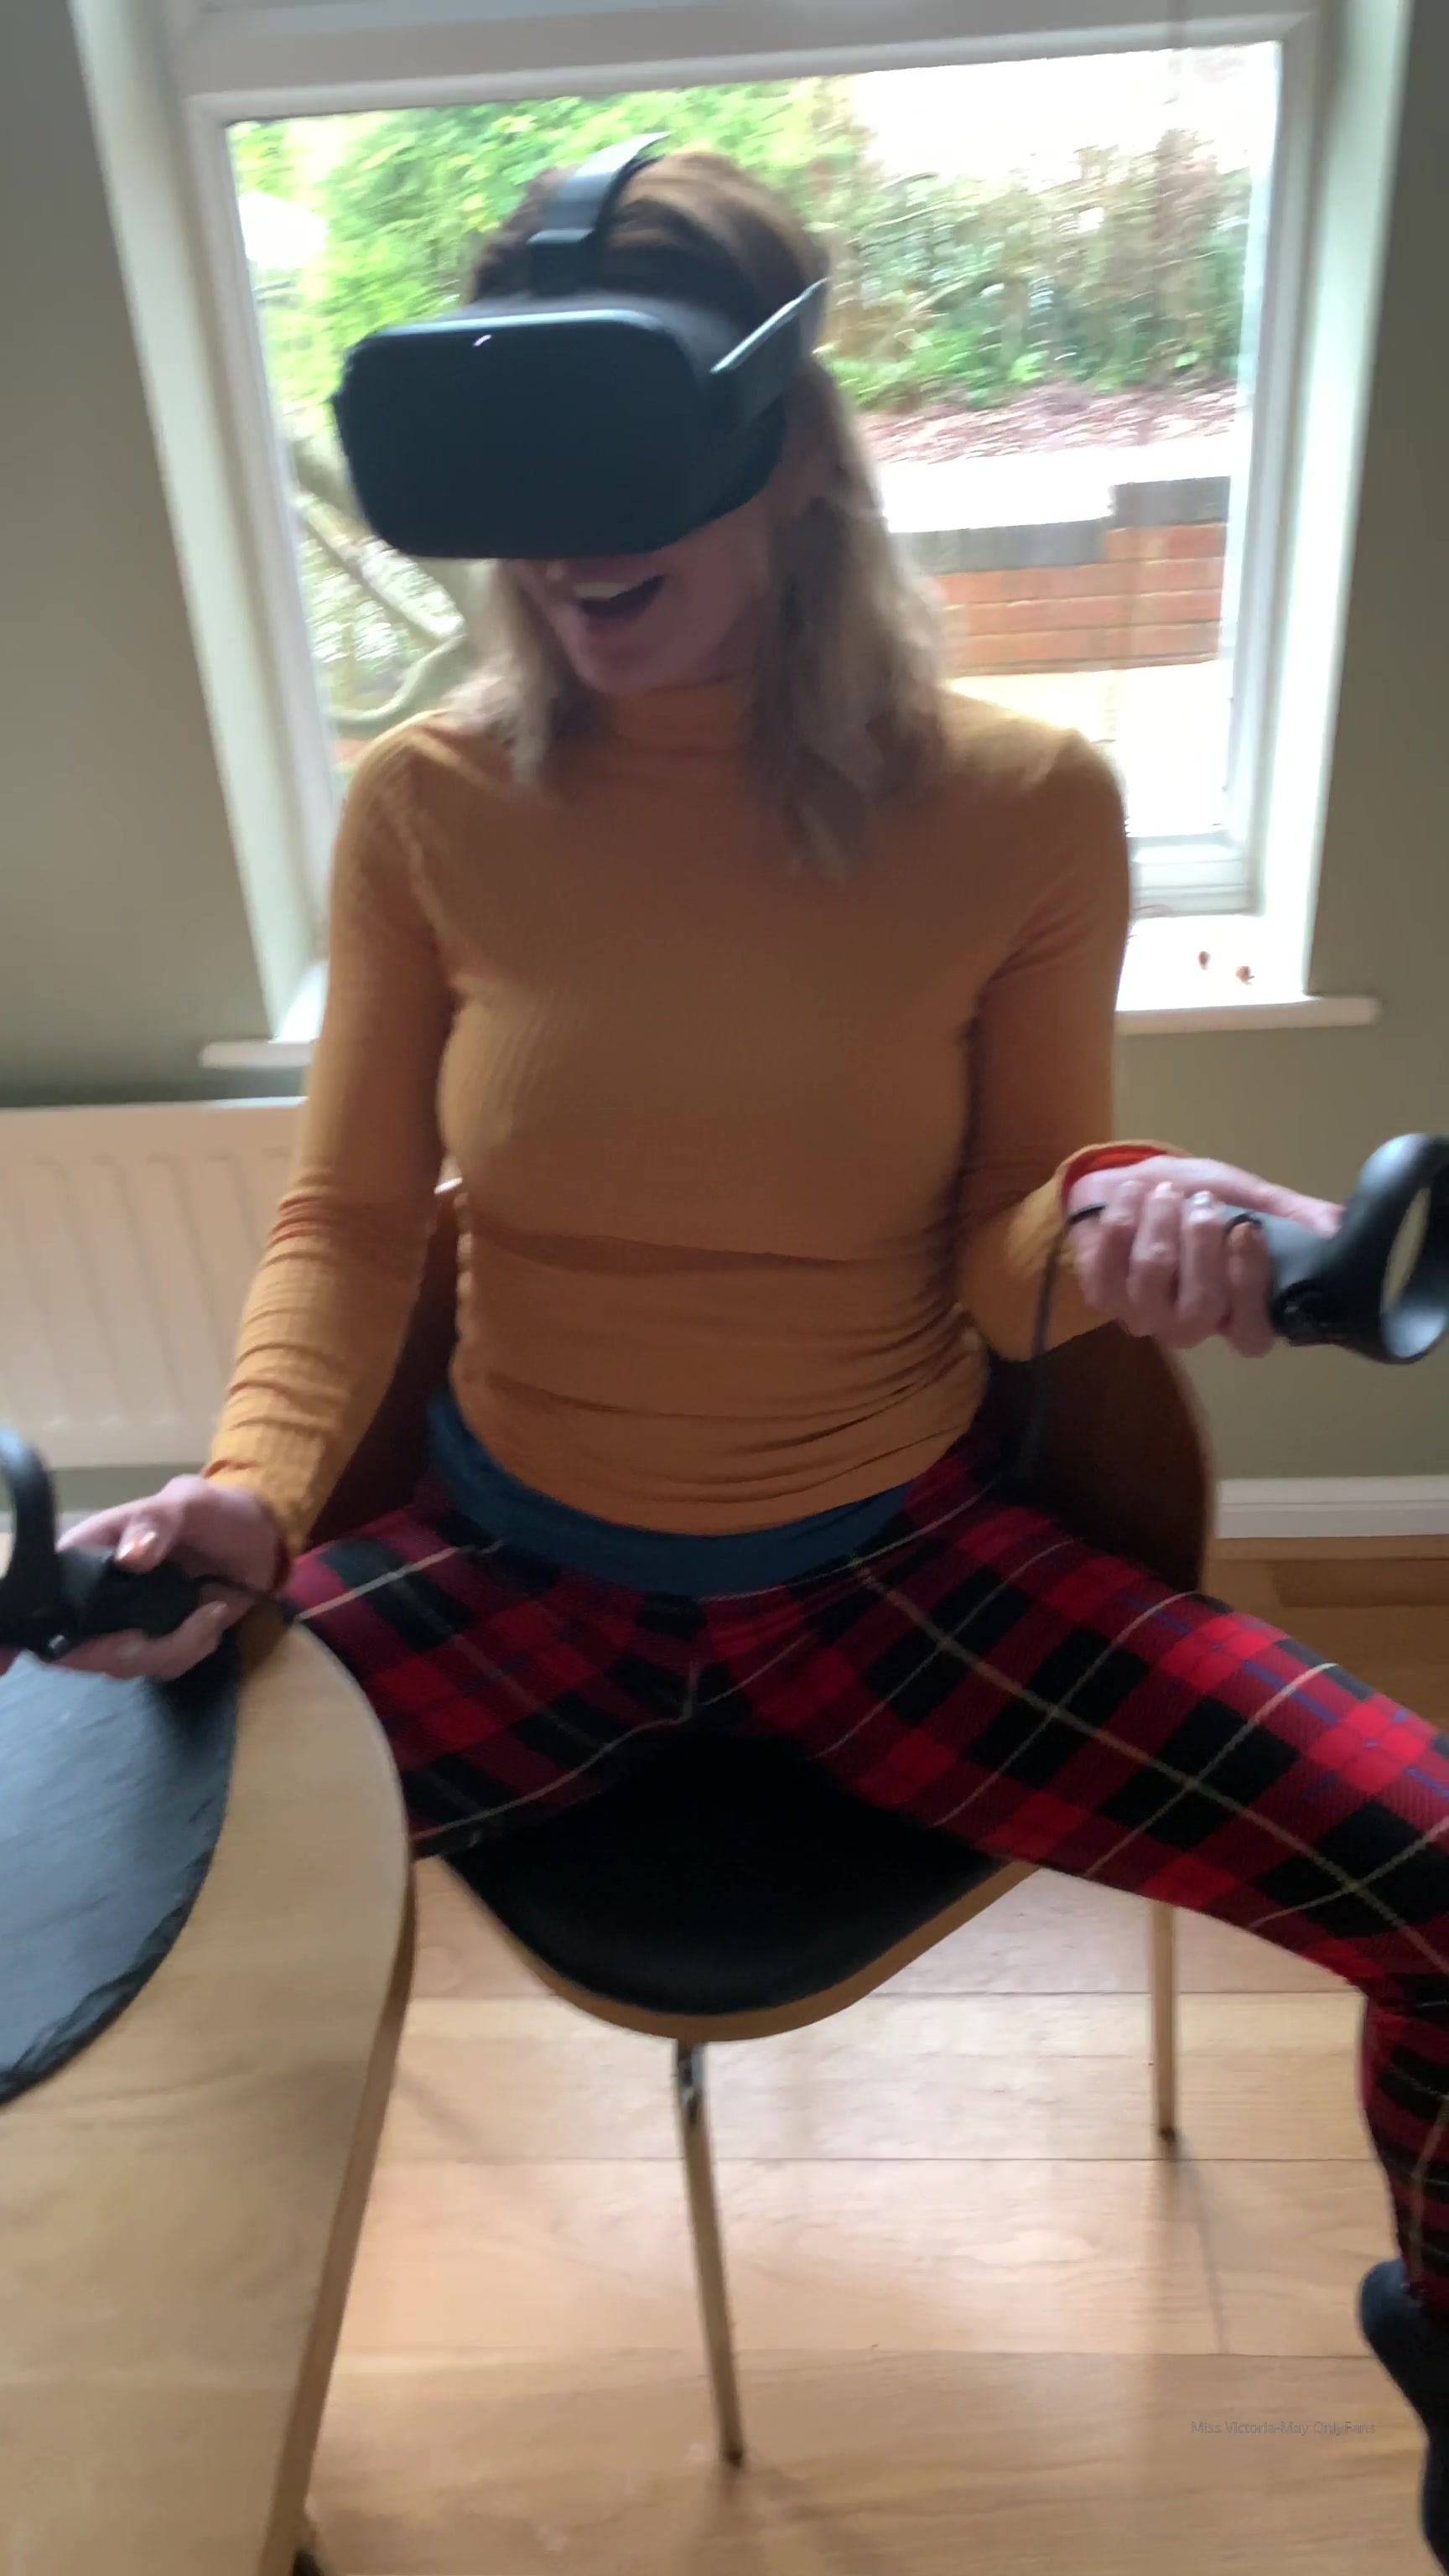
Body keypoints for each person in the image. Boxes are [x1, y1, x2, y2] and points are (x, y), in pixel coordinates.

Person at [27, 149, 1449, 2558]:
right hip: (509, 1570)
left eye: (625, 456)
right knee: (43, 1894)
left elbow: (1007, 1249)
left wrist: (1133, 1227)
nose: (571, 550)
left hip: (904, 1572)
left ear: (788, 446)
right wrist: (253, 1491)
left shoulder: (1019, 806)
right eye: (517, 478)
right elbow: (353, 1217)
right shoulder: (430, 807)